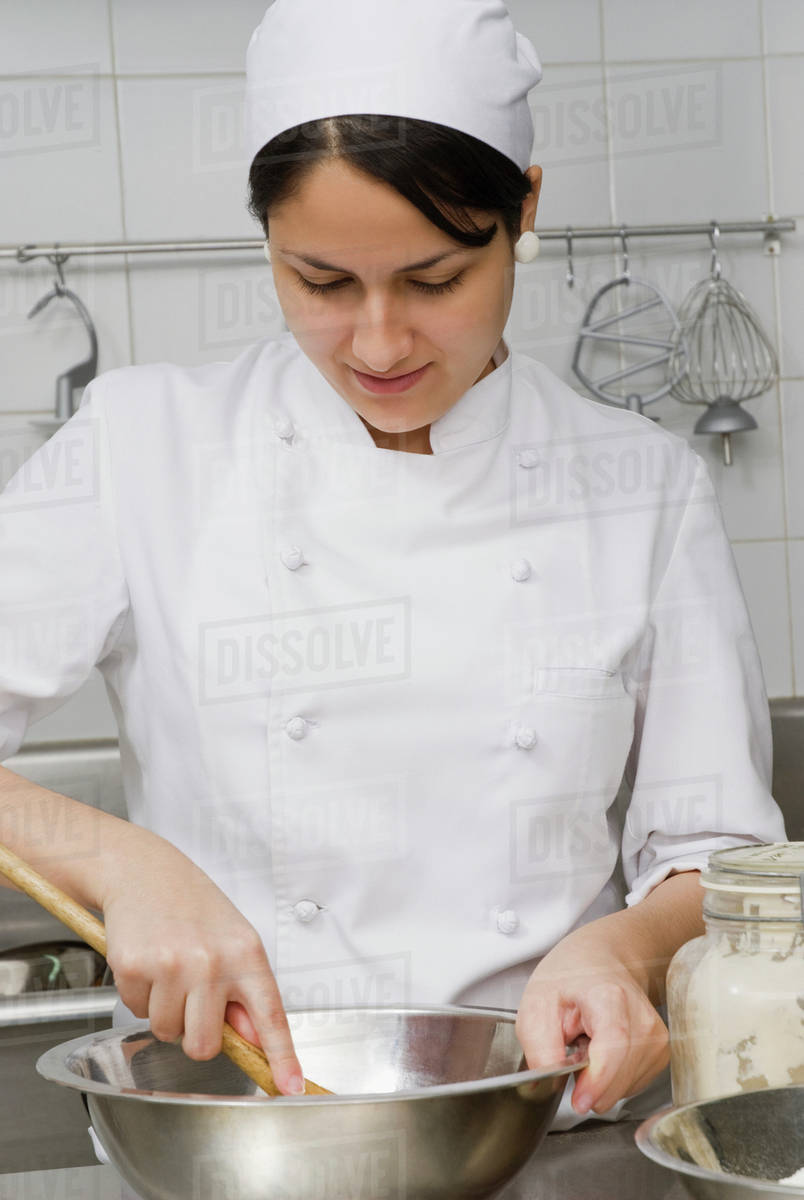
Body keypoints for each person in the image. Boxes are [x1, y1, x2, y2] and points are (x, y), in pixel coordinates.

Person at [0, 0, 786, 1171]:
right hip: (232, 1152)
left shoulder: (641, 485)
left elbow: (711, 855)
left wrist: (622, 949)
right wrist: (119, 865)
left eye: (434, 277)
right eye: (319, 280)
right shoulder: (143, 446)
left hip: (543, 1139)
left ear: (523, 207)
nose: (378, 342)